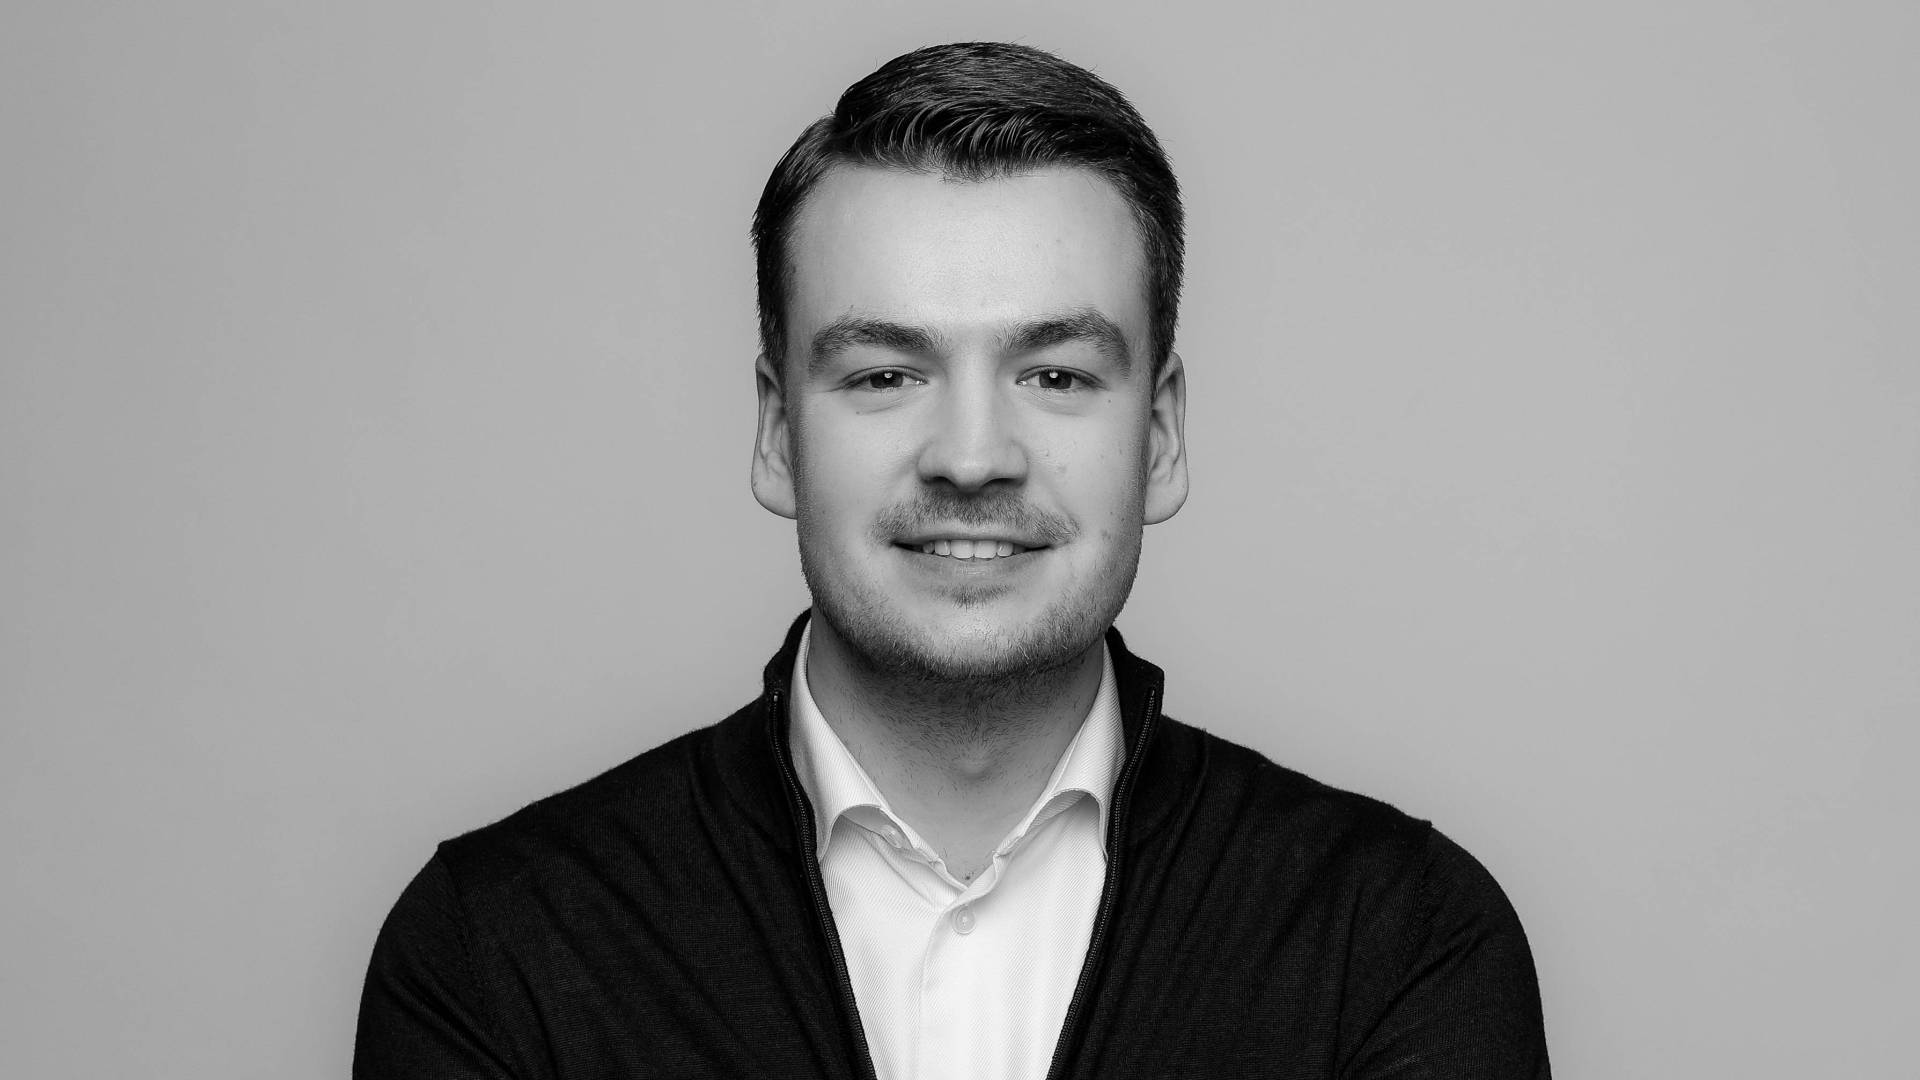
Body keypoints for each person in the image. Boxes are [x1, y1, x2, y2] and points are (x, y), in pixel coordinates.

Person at [354, 41, 1550, 1079]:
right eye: (885, 374)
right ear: (777, 434)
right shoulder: (494, 953)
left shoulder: (1399, 942)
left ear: (1161, 437)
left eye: (1057, 375)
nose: (973, 457)